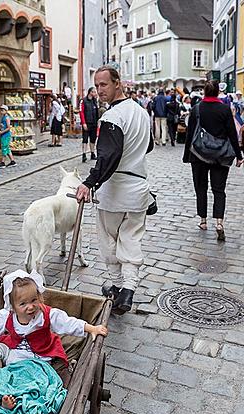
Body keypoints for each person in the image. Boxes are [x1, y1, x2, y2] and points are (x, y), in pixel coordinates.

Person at [76, 66, 153, 314]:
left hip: (116, 189)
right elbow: (148, 146)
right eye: (97, 85)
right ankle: (128, 291)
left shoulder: (112, 117)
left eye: (104, 85)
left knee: (109, 240)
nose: (100, 90)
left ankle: (118, 286)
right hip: (139, 189)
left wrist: (88, 182)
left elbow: (108, 156)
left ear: (118, 83)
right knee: (131, 239)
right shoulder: (141, 113)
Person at [0, 270, 108, 407]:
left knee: (36, 379)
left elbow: (68, 322)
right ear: (13, 307)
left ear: (39, 297)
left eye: (34, 300)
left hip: (38, 358)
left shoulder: (46, 315)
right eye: (23, 304)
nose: (30, 307)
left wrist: (91, 328)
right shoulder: (8, 316)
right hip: (15, 353)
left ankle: (13, 398)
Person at [183, 79, 244, 240]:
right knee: (219, 190)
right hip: (220, 155)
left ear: (204, 92)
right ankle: (219, 222)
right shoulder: (224, 109)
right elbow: (232, 133)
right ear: (218, 92)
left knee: (201, 188)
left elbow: (190, 134)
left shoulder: (196, 109)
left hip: (198, 154)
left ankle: (203, 221)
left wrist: (186, 156)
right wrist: (238, 155)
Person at [80, 86, 99, 162]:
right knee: (85, 139)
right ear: (90, 92)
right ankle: (84, 154)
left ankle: (92, 153)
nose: (95, 93)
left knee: (93, 139)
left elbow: (97, 112)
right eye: (94, 92)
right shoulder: (83, 101)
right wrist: (84, 123)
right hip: (87, 123)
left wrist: (97, 122)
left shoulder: (95, 101)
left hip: (94, 123)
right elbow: (81, 112)